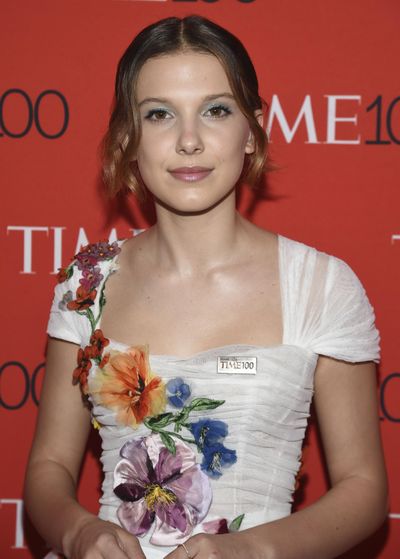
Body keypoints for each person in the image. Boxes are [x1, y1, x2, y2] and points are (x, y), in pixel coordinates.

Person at [24, 15, 388, 559]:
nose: (189, 141)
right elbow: (49, 467)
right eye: (160, 114)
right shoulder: (87, 282)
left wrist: (252, 551)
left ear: (252, 129)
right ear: (128, 135)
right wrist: (79, 532)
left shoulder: (321, 286)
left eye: (216, 110)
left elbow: (363, 489)